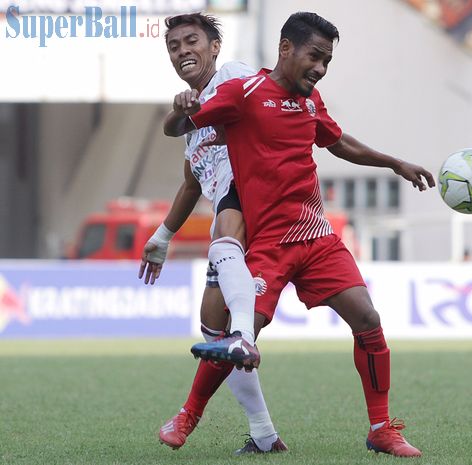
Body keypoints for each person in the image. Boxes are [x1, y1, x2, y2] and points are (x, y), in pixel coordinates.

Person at [165, 11, 435, 458]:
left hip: (318, 239)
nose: (320, 68)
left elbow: (338, 142)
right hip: (268, 245)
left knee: (367, 320)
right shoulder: (243, 93)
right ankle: (188, 415)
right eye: (315, 56)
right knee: (238, 338)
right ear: (285, 49)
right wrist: (181, 113)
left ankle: (381, 428)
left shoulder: (311, 102)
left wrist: (394, 163)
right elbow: (177, 128)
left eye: (327, 60)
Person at [139, 13, 286, 454]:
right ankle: (263, 435)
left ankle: (188, 414)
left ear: (214, 47)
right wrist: (161, 238)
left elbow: (264, 103)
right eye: (173, 46)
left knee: (229, 335)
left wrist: (192, 115)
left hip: (258, 205)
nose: (182, 50)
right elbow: (190, 183)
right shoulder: (192, 117)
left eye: (191, 41)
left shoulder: (235, 75)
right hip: (229, 211)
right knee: (212, 333)